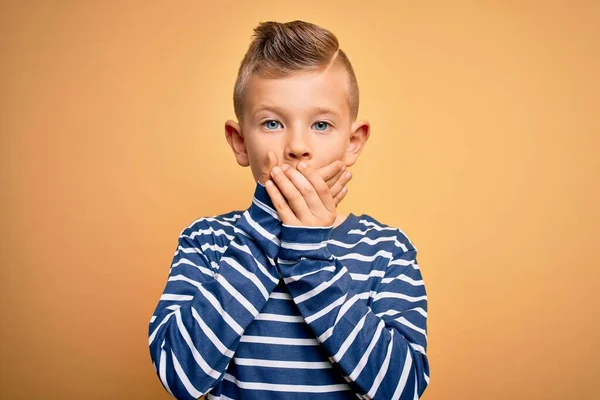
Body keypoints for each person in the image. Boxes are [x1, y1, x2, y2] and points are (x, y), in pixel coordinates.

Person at [148, 20, 430, 400]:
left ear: (353, 142)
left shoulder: (387, 250)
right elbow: (178, 375)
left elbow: (402, 389)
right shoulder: (206, 242)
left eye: (321, 124)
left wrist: (309, 259)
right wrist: (267, 226)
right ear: (240, 142)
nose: (298, 146)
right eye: (272, 122)